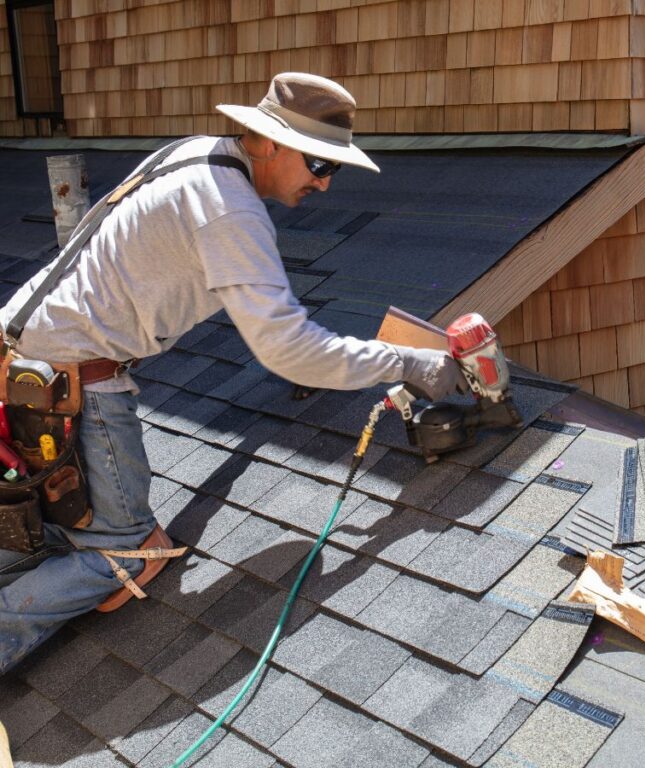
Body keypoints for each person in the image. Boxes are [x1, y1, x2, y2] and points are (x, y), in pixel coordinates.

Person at [0, 73, 466, 673]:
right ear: (266, 141)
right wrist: (411, 362)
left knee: (34, 524)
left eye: (335, 170)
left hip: (22, 355)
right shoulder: (229, 210)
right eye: (319, 163)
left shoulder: (194, 152)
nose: (323, 184)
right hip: (71, 380)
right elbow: (289, 350)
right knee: (127, 555)